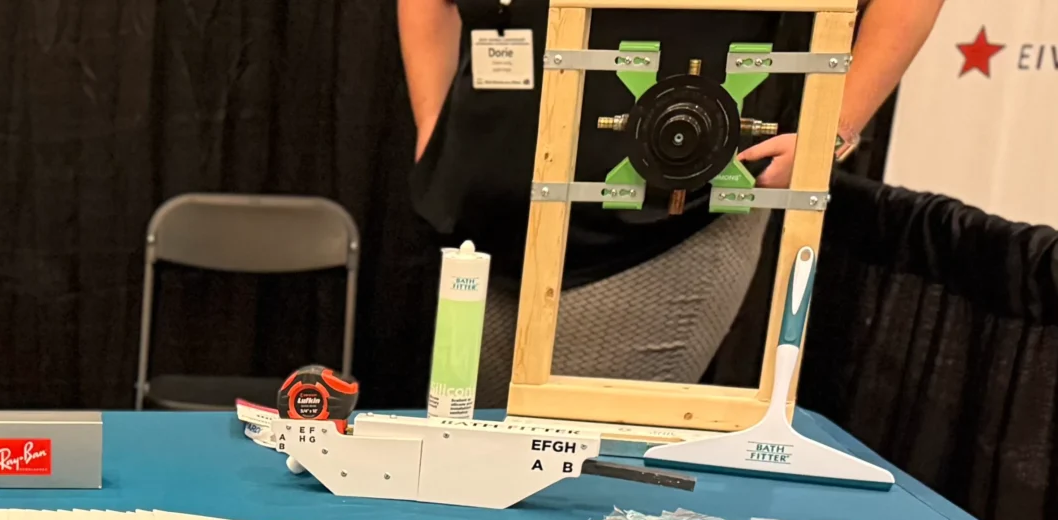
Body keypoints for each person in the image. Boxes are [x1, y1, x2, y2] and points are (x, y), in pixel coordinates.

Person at [399, 0, 941, 390]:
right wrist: (435, 127)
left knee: (581, 480)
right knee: (474, 466)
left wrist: (832, 131)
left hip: (659, 224)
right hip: (484, 222)